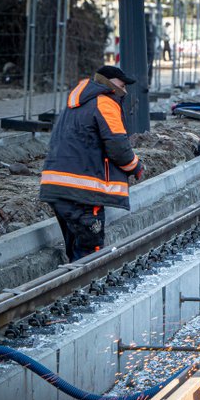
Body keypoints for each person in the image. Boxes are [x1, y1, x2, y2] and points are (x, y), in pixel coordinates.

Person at [39, 65, 143, 262]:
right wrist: (135, 166)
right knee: (90, 251)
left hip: (57, 187)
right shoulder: (105, 102)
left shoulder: (77, 103)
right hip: (83, 192)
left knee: (75, 248)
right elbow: (118, 147)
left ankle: (75, 280)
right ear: (110, 83)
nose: (125, 91)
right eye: (122, 86)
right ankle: (89, 281)